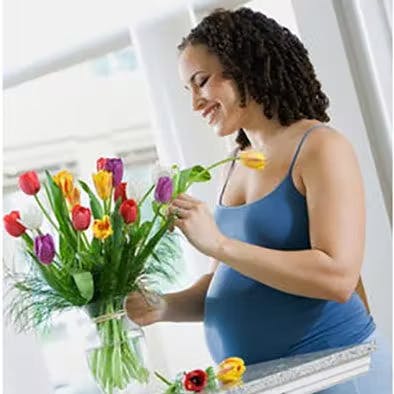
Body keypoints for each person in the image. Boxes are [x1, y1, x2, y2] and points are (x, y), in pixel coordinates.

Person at [125, 7, 391, 393]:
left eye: (201, 82)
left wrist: (218, 242)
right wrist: (163, 306)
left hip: (336, 372)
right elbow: (228, 283)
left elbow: (338, 277)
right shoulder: (233, 165)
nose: (196, 103)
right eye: (189, 90)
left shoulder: (320, 146)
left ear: (245, 66)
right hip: (271, 383)